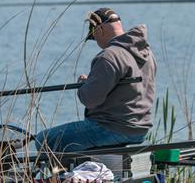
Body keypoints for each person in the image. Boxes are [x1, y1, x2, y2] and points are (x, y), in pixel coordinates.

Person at [35, 8, 157, 152]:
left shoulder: (109, 56)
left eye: (94, 37)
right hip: (140, 130)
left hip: (111, 128)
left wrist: (83, 86)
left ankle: (67, 175)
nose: (97, 42)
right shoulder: (147, 54)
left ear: (99, 30)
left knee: (44, 139)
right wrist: (94, 81)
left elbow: (90, 99)